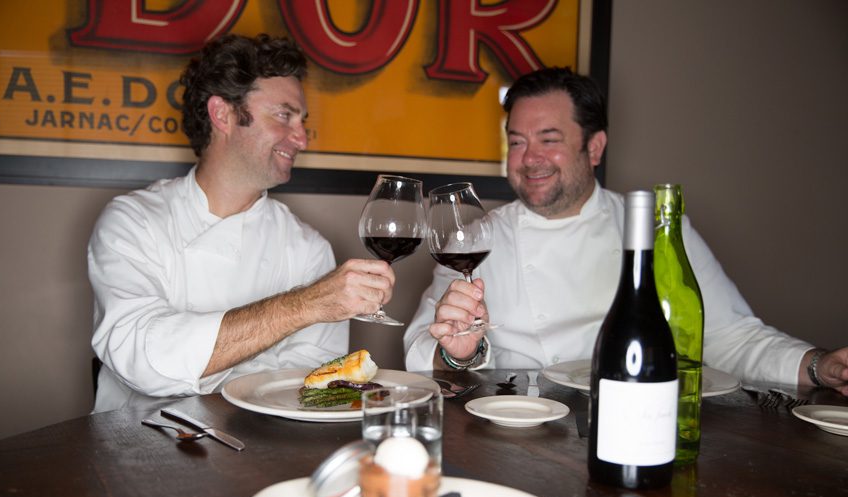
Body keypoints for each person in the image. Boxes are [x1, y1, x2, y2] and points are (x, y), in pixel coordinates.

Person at [404, 66, 848, 394]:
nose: (529, 158)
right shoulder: (477, 239)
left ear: (594, 147)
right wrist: (456, 352)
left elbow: (728, 334)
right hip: (512, 426)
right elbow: (424, 344)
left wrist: (815, 365)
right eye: (517, 141)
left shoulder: (656, 229)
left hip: (636, 415)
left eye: (549, 139)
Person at [88, 34, 395, 412]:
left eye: (301, 121)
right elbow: (140, 357)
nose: (301, 138)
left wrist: (199, 361)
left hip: (255, 452)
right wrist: (302, 306)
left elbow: (311, 385)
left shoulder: (307, 247)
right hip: (135, 449)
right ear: (223, 114)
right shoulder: (132, 221)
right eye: (284, 115)